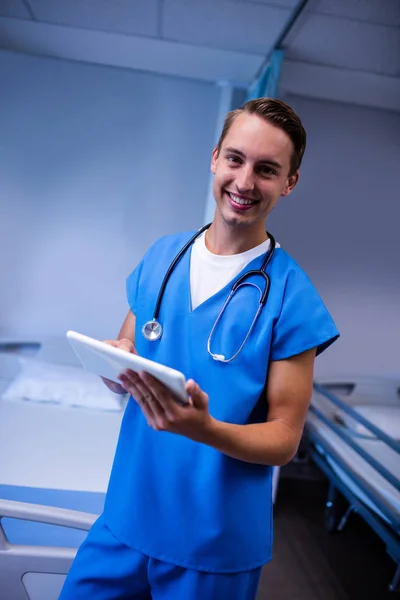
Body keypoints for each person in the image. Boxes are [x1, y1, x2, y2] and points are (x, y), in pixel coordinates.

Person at [59, 97, 339, 599]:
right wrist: (113, 362)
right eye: (235, 159)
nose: (245, 182)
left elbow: (284, 438)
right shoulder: (162, 257)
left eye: (267, 169)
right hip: (127, 514)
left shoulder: (292, 297)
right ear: (215, 158)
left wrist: (205, 429)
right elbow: (131, 353)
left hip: (211, 544)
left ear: (289, 183)